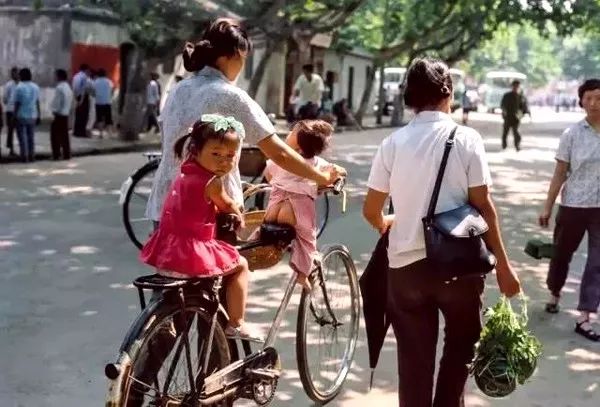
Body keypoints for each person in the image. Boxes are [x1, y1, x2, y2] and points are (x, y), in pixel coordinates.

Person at [363, 57, 521, 407]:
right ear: (447, 92)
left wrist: (388, 223)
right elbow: (483, 205)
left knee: (413, 364)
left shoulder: (392, 143)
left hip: (405, 271)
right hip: (459, 267)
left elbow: (371, 210)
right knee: (462, 347)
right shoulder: (466, 138)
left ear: (410, 96)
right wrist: (505, 267)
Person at [146, 18, 339, 228]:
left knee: (168, 251)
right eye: (243, 58)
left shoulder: (178, 90)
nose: (242, 65)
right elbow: (279, 153)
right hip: (210, 208)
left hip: (166, 202)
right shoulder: (231, 96)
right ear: (233, 55)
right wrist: (321, 177)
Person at [140, 115, 260, 339]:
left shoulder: (184, 173)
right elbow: (227, 205)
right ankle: (236, 323)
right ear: (196, 151)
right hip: (191, 257)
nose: (224, 162)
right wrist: (238, 215)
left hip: (167, 254)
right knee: (241, 265)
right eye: (216, 154)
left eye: (230, 156)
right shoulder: (212, 182)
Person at [538, 79, 600, 341]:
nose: (594, 103)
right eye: (589, 98)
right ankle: (554, 292)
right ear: (581, 101)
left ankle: (585, 316)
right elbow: (560, 173)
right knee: (561, 255)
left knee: (597, 262)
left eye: (599, 98)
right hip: (573, 205)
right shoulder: (571, 134)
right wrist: (547, 206)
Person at [263, 120, 346, 290]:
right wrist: (337, 176)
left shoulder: (280, 160)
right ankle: (302, 274)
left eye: (292, 132)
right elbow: (340, 171)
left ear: (299, 148)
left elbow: (268, 175)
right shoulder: (316, 163)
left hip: (273, 209)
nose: (288, 133)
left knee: (264, 235)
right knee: (307, 241)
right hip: (294, 211)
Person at [13, 68, 40, 163]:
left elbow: (17, 103)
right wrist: (39, 114)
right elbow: (37, 102)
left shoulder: (19, 87)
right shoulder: (35, 87)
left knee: (22, 137)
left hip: (22, 114)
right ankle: (32, 155)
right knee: (31, 137)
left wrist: (14, 115)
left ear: (21, 76)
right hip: (33, 114)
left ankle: (24, 156)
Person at [50, 69, 73, 160]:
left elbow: (57, 102)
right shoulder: (68, 87)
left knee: (55, 136)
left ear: (59, 76)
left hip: (59, 114)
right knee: (64, 136)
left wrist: (54, 111)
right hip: (65, 113)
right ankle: (66, 153)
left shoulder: (59, 88)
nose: (54, 77)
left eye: (55, 75)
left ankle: (56, 154)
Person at [500, 80, 529, 151]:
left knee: (516, 132)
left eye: (517, 86)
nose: (516, 88)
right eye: (514, 86)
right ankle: (504, 145)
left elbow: (523, 107)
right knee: (505, 132)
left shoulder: (520, 97)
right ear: (512, 87)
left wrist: (522, 114)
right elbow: (502, 105)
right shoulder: (507, 95)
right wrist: (504, 112)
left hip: (516, 118)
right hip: (508, 117)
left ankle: (517, 145)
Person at [93, 68, 114, 137]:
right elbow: (112, 89)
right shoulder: (109, 81)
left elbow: (93, 91)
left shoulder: (95, 82)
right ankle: (110, 133)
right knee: (108, 118)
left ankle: (101, 133)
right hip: (107, 101)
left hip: (98, 102)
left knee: (99, 118)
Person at [3, 67, 19, 157]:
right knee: (11, 130)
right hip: (10, 110)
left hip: (20, 110)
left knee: (20, 130)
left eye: (16, 73)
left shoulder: (21, 85)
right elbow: (5, 98)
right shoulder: (8, 85)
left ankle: (22, 148)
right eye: (13, 73)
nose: (15, 75)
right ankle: (11, 149)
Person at [72, 64, 91, 138]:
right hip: (83, 97)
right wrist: (82, 100)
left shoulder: (75, 76)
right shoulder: (84, 77)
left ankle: (76, 131)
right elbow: (83, 89)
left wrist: (76, 98)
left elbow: (74, 88)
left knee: (78, 114)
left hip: (76, 96)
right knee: (84, 115)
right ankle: (81, 132)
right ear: (86, 70)